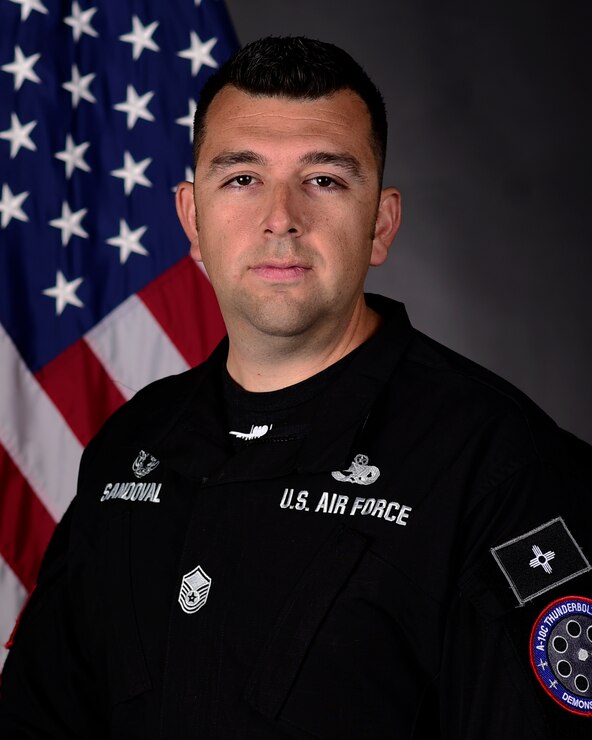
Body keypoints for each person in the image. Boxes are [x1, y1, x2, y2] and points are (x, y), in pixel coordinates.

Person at [1, 36, 591, 740]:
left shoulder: (505, 470)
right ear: (192, 220)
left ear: (381, 224)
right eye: (242, 178)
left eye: (324, 180)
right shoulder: (131, 446)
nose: (281, 218)